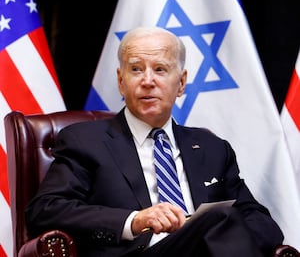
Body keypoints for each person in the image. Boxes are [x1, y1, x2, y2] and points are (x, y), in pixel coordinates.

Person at [25, 26, 284, 257]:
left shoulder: (212, 148)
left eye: (160, 69)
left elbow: (261, 221)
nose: (147, 81)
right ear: (120, 81)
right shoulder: (85, 141)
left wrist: (225, 235)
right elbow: (46, 210)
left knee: (222, 222)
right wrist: (134, 220)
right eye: (136, 69)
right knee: (221, 218)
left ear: (181, 83)